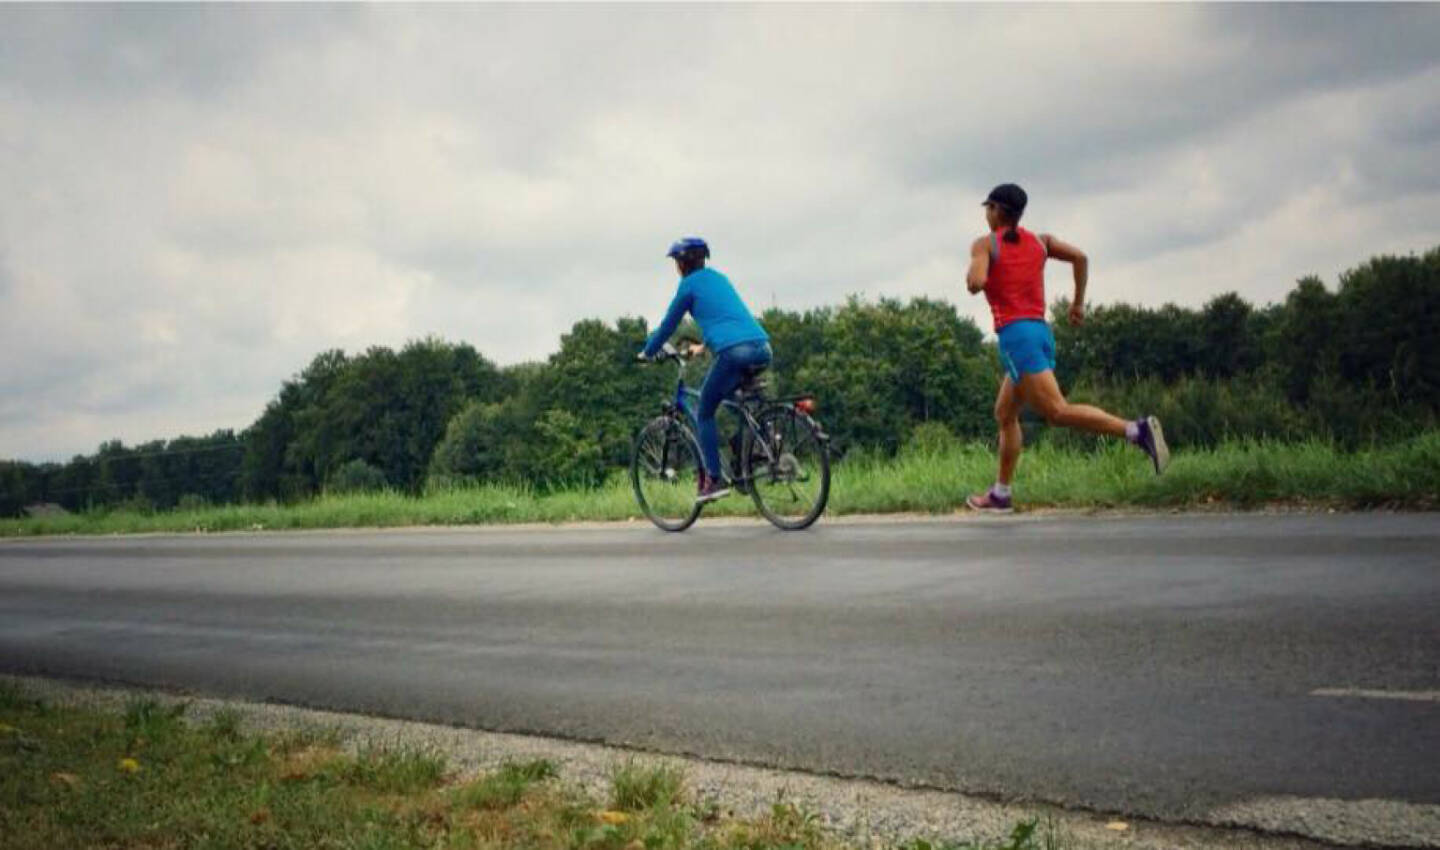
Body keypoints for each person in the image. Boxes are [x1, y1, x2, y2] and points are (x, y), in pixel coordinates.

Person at [964, 183, 1168, 513]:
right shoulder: (1041, 242)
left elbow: (975, 284)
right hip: (1041, 333)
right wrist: (1078, 304)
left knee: (1057, 412)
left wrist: (978, 270)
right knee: (1005, 413)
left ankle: (1136, 430)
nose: (986, 215)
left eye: (988, 208)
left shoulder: (984, 245)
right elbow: (1080, 257)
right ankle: (1001, 493)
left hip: (1018, 338)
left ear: (997, 212)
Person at [639, 237, 772, 503]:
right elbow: (727, 318)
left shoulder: (688, 286)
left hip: (734, 352)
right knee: (735, 398)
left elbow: (668, 326)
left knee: (705, 412)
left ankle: (715, 479)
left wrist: (648, 351)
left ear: (681, 264)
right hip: (762, 347)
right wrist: (704, 346)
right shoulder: (718, 278)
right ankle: (753, 446)